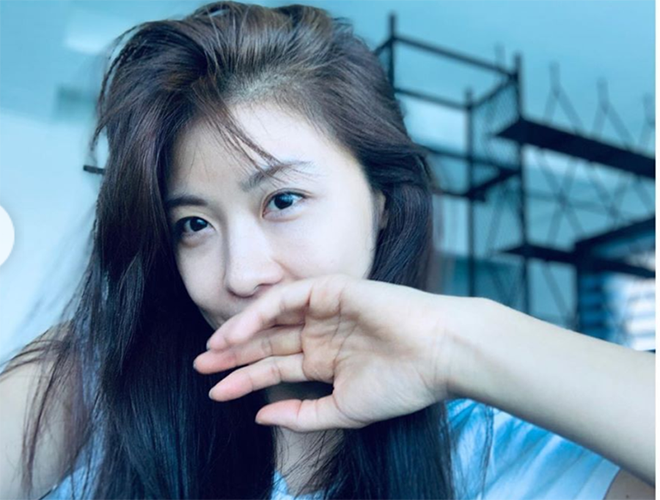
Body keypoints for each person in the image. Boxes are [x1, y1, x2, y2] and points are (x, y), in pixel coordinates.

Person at [0, 2, 654, 499]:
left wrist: (451, 342)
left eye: (283, 200)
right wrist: (90, 358)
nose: (241, 274)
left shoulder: (483, 452)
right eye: (193, 225)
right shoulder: (102, 411)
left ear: (381, 204)